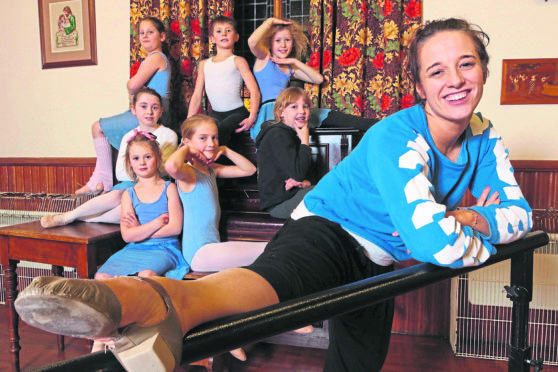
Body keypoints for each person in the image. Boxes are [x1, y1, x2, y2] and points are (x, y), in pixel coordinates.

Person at [15, 18, 533, 372]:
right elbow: (433, 245)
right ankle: (145, 298)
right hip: (329, 229)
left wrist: (471, 222)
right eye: (436, 70)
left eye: (466, 64)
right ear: (418, 85)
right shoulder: (399, 136)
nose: (455, 81)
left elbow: (522, 217)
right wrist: (465, 219)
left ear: (484, 69)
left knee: (359, 361)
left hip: (380, 259)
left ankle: (160, 303)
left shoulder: (487, 140)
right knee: (273, 282)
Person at [166, 114, 268, 360]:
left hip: (212, 248)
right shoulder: (188, 174)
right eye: (203, 138)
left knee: (244, 277)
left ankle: (229, 335)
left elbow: (249, 169)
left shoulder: (210, 170)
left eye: (214, 137)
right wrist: (187, 149)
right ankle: (290, 314)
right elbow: (171, 166)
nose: (211, 142)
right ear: (187, 141)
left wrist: (224, 149)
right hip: (200, 253)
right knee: (270, 249)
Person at [40, 88, 178, 229]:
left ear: (161, 111)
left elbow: (164, 169)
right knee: (117, 196)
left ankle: (85, 219)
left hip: (153, 185)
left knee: (128, 210)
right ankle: (68, 216)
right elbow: (121, 172)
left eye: (154, 107)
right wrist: (140, 173)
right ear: (134, 109)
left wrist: (144, 174)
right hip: (128, 184)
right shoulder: (128, 136)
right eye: (143, 106)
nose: (149, 112)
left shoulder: (168, 135)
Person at [76, 17, 172, 194]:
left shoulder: (156, 58)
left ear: (162, 36)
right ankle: (96, 182)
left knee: (98, 127)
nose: (145, 36)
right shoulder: (154, 59)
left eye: (150, 32)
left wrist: (132, 88)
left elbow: (132, 85)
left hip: (152, 112)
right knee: (110, 135)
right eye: (141, 33)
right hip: (145, 110)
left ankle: (104, 184)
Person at [248, 17, 378, 140]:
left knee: (334, 116)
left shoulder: (290, 67)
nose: (283, 45)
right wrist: (270, 22)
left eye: (287, 40)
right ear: (269, 43)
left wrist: (295, 61)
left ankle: (384, 125)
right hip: (273, 110)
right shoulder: (264, 58)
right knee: (282, 140)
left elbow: (318, 79)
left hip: (293, 108)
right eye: (278, 40)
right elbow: (252, 41)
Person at [94, 132, 187, 281]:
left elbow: (175, 228)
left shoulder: (169, 188)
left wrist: (139, 229)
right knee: (101, 276)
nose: (142, 162)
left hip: (165, 248)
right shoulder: (128, 195)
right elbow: (127, 236)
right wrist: (155, 224)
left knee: (145, 276)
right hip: (135, 248)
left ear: (158, 157)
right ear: (129, 162)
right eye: (136, 158)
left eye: (147, 157)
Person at [187, 16, 260, 147]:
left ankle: (217, 165)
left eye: (228, 30)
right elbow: (197, 94)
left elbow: (254, 91)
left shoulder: (238, 61)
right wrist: (189, 120)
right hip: (215, 113)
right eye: (219, 31)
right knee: (203, 131)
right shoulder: (204, 64)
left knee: (220, 130)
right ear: (212, 39)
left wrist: (252, 117)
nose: (224, 34)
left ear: (236, 37)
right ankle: (205, 165)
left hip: (237, 112)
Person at [256, 87, 314, 219]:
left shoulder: (288, 133)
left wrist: (305, 182)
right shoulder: (277, 134)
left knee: (333, 191)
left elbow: (297, 175)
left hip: (290, 196)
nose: (302, 111)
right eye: (294, 107)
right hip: (281, 204)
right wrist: (305, 141)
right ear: (281, 112)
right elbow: (298, 173)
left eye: (305, 106)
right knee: (330, 192)